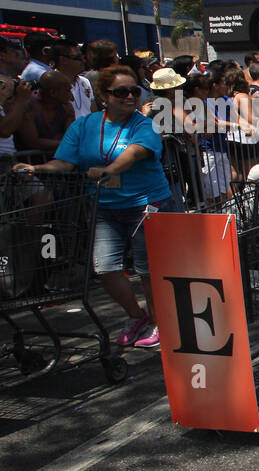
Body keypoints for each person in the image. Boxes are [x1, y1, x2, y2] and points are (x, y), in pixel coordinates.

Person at [11, 66, 178, 348]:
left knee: (148, 270)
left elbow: (136, 151)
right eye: (121, 92)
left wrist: (109, 169)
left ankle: (160, 324)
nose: (129, 97)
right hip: (104, 206)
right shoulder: (84, 125)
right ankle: (138, 316)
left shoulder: (145, 124)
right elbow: (64, 161)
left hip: (146, 205)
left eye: (134, 91)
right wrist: (35, 167)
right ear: (103, 95)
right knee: (105, 268)